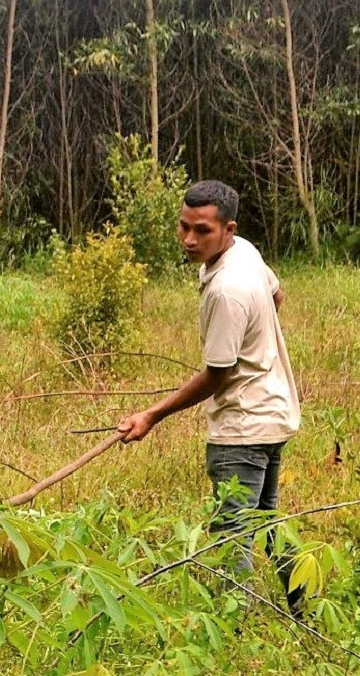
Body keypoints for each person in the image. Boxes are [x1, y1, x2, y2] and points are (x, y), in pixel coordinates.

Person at [117, 179, 303, 612]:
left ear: (228, 229)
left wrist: (151, 415)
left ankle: (231, 631)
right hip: (273, 413)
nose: (188, 239)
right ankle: (304, 608)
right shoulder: (246, 253)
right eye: (184, 227)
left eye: (201, 230)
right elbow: (277, 294)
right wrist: (255, 342)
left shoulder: (227, 290)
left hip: (241, 426)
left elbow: (218, 375)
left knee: (232, 536)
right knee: (266, 521)